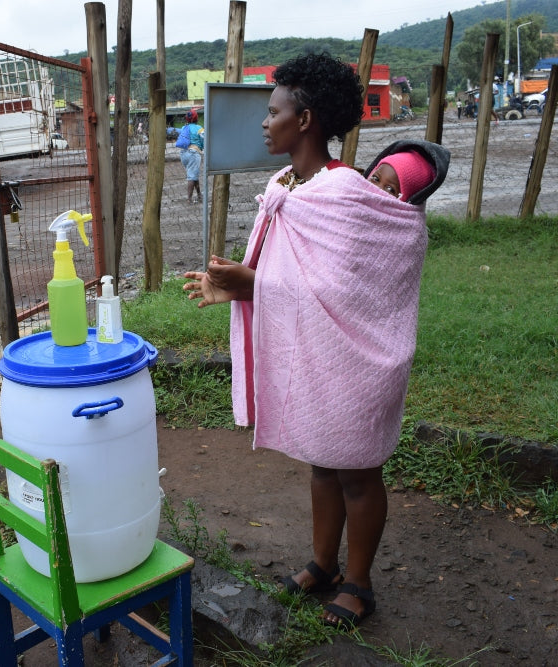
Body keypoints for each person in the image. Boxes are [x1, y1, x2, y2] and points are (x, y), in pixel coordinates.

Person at [182, 51, 450, 630]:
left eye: (273, 111)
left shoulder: (345, 190)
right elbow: (286, 273)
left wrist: (251, 281)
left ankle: (359, 584)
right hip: (311, 352)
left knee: (357, 471)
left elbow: (347, 289)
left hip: (353, 355)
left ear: (304, 121)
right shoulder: (284, 183)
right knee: (322, 463)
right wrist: (232, 288)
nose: (264, 121)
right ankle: (324, 566)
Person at [176, 108, 204, 203]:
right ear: (196, 118)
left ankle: (199, 195)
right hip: (194, 153)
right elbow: (204, 140)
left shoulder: (184, 128)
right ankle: (189, 199)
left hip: (183, 154)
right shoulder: (199, 128)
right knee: (192, 176)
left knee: (193, 174)